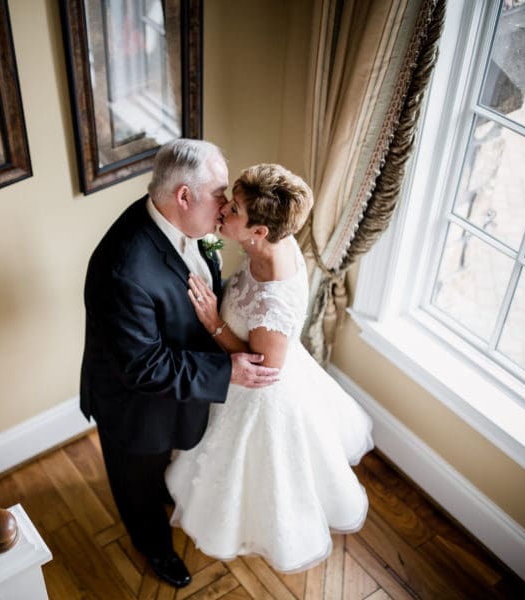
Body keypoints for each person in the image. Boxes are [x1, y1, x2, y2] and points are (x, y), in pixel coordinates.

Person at [80, 139, 280, 588]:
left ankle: (165, 497)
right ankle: (153, 547)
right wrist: (228, 370)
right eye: (219, 193)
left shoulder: (189, 224)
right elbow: (145, 367)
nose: (227, 204)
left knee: (166, 470)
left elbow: (203, 292)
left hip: (177, 388)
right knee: (137, 487)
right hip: (133, 407)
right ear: (183, 196)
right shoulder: (123, 269)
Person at [165, 163, 374, 572]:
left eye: (235, 209)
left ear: (259, 232)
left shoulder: (275, 299)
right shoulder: (267, 242)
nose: (223, 209)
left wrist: (214, 322)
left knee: (258, 478)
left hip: (259, 394)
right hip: (244, 373)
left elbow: (259, 366)